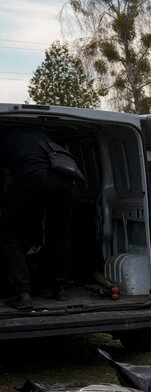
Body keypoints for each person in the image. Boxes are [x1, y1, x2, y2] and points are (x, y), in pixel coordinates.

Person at [0, 127, 78, 310]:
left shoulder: (3, 136)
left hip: (33, 178)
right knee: (60, 236)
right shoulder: (41, 136)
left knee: (8, 237)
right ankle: (60, 289)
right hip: (66, 180)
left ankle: (21, 293)